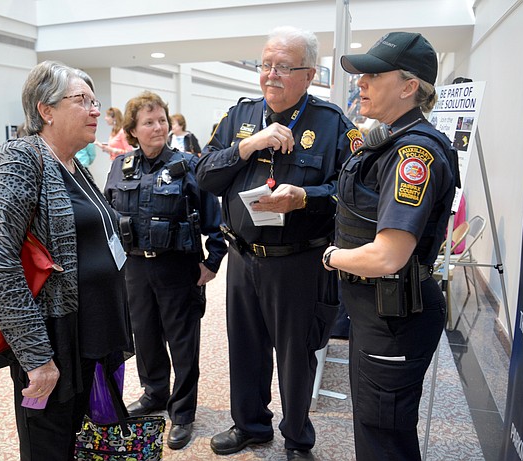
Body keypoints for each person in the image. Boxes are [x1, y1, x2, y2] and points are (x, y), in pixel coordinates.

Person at [196, 26, 360, 461]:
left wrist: (306, 197)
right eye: (266, 65)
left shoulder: (332, 126)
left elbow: (355, 195)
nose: (271, 75)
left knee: (295, 356)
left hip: (298, 263)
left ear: (309, 75)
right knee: (245, 349)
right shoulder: (240, 117)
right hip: (243, 257)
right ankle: (250, 426)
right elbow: (205, 175)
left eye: (283, 67)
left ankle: (297, 438)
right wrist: (246, 147)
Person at [0, 61, 133, 461]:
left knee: (76, 444)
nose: (96, 110)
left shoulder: (75, 164)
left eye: (96, 101)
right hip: (52, 341)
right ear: (45, 110)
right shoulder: (18, 159)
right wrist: (36, 359)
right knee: (48, 447)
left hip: (90, 335)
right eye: (82, 100)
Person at [322, 32, 459, 461]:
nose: (360, 82)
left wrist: (331, 256)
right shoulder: (389, 141)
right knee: (376, 427)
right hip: (377, 307)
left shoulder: (412, 154)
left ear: (408, 86)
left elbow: (387, 255)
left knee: (385, 439)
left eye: (373, 75)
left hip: (394, 312)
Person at [104, 91, 227, 451]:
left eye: (161, 120)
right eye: (148, 122)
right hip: (135, 268)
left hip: (178, 267)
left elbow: (215, 221)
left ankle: (183, 411)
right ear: (133, 130)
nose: (158, 127)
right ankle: (154, 393)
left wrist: (212, 262)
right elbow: (108, 218)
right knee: (145, 336)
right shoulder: (119, 167)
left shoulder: (189, 165)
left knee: (183, 341)